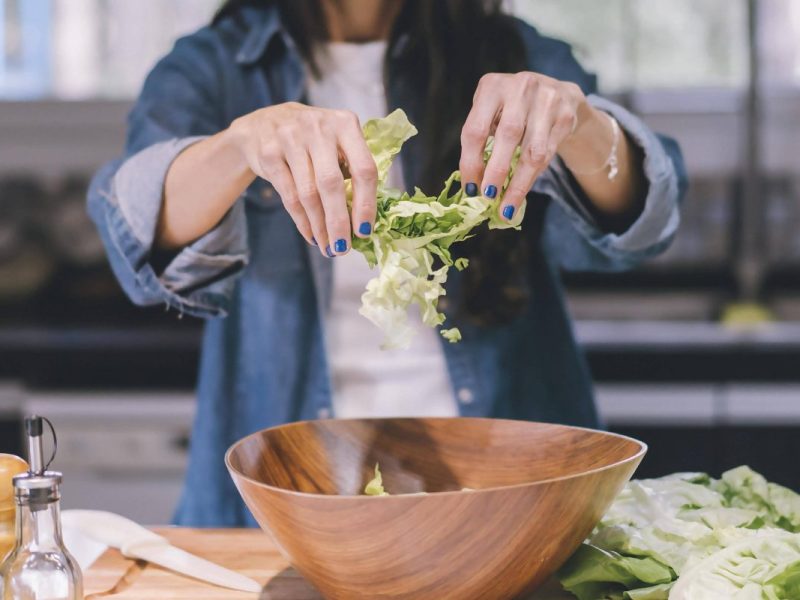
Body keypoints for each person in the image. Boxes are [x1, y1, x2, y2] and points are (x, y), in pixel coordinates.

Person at [87, 0, 687, 527]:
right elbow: (136, 236)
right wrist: (239, 146)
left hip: (509, 495)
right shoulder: (215, 65)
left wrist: (581, 124)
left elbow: (644, 224)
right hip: (294, 497)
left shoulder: (513, 50)